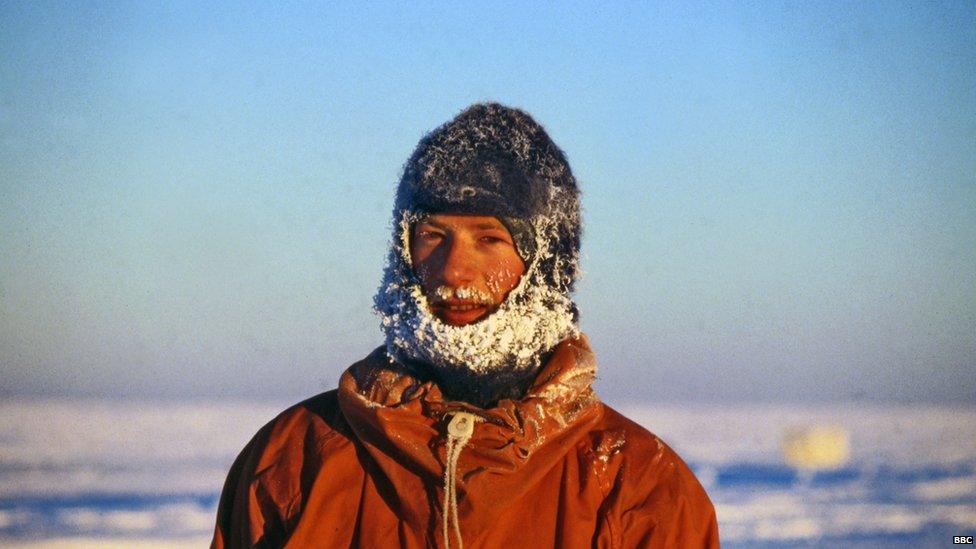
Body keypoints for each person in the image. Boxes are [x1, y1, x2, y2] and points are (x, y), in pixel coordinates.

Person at [212, 103, 719, 548]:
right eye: (432, 235)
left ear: (548, 264)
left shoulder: (638, 486)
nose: (453, 271)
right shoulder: (293, 459)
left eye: (490, 239)